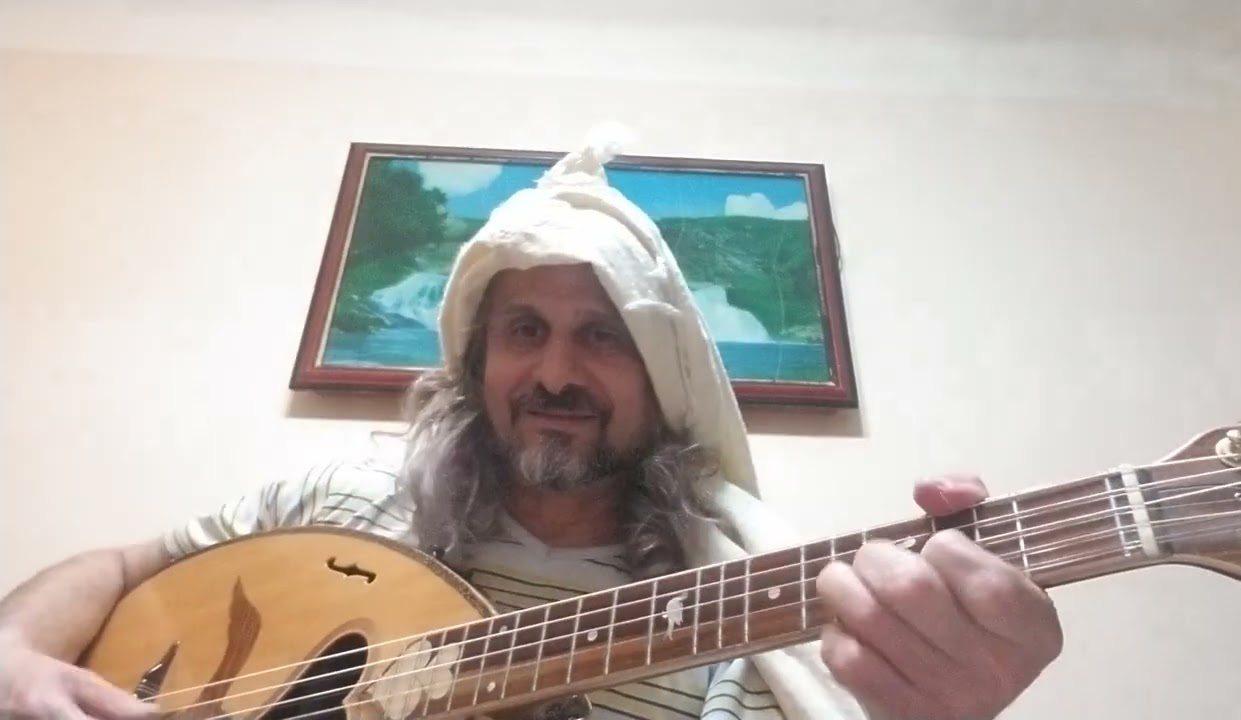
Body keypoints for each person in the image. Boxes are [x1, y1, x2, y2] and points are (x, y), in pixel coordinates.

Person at [0, 126, 1063, 720]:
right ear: (476, 363)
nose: (555, 371)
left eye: (601, 336)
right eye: (524, 331)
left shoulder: (738, 627)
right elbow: (121, 565)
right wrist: (13, 656)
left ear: (663, 378)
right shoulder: (334, 499)